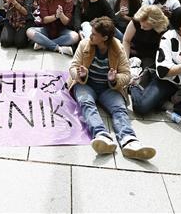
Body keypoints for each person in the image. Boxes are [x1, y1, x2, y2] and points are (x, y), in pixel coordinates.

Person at [67, 16, 156, 160]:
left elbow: (126, 74)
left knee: (119, 108)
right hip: (86, 84)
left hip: (108, 88)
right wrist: (79, 74)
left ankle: (129, 141)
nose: (90, 35)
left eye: (94, 34)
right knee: (86, 103)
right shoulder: (84, 44)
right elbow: (73, 66)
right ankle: (102, 136)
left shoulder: (118, 48)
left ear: (105, 37)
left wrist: (114, 79)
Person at [122, 4, 168, 70]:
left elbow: (161, 51)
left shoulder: (163, 30)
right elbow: (126, 40)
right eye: (140, 24)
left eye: (145, 26)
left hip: (150, 55)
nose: (141, 27)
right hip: (132, 49)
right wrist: (125, 61)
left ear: (155, 24)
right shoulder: (137, 21)